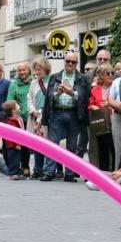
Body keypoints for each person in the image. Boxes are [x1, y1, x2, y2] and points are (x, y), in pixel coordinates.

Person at [41, 52, 91, 182]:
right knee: (53, 144)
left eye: (73, 62)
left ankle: (69, 173)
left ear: (76, 64)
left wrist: (71, 92)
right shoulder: (55, 77)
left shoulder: (82, 78)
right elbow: (49, 96)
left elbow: (83, 97)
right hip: (57, 112)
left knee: (72, 145)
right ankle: (48, 172)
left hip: (74, 113)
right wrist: (58, 93)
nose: (69, 64)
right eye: (67, 61)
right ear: (64, 61)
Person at [87, 63, 115, 171]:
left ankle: (113, 170)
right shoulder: (95, 89)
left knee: (113, 147)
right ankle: (103, 171)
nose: (111, 75)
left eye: (112, 73)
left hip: (114, 119)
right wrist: (93, 106)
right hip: (101, 122)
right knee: (102, 147)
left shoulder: (116, 86)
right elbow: (90, 103)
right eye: (108, 73)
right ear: (101, 76)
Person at [26, 56, 51, 179]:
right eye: (35, 70)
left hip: (47, 118)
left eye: (39, 69)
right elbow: (29, 98)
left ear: (45, 68)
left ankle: (49, 170)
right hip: (36, 118)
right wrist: (32, 110)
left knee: (49, 144)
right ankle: (37, 169)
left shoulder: (52, 80)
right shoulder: (33, 83)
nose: (36, 72)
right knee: (37, 144)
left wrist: (43, 111)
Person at [7, 62, 32, 176]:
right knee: (18, 144)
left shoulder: (34, 82)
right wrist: (16, 114)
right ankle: (18, 167)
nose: (22, 72)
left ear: (28, 71)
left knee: (27, 144)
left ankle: (26, 166)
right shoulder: (14, 84)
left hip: (32, 117)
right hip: (19, 118)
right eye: (20, 70)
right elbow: (10, 101)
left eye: (24, 70)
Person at [2, 100, 24, 180]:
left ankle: (16, 172)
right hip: (12, 145)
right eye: (17, 105)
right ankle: (13, 173)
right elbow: (13, 135)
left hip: (16, 144)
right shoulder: (12, 121)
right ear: (13, 110)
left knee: (17, 158)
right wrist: (17, 144)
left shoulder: (17, 118)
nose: (19, 105)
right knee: (14, 159)